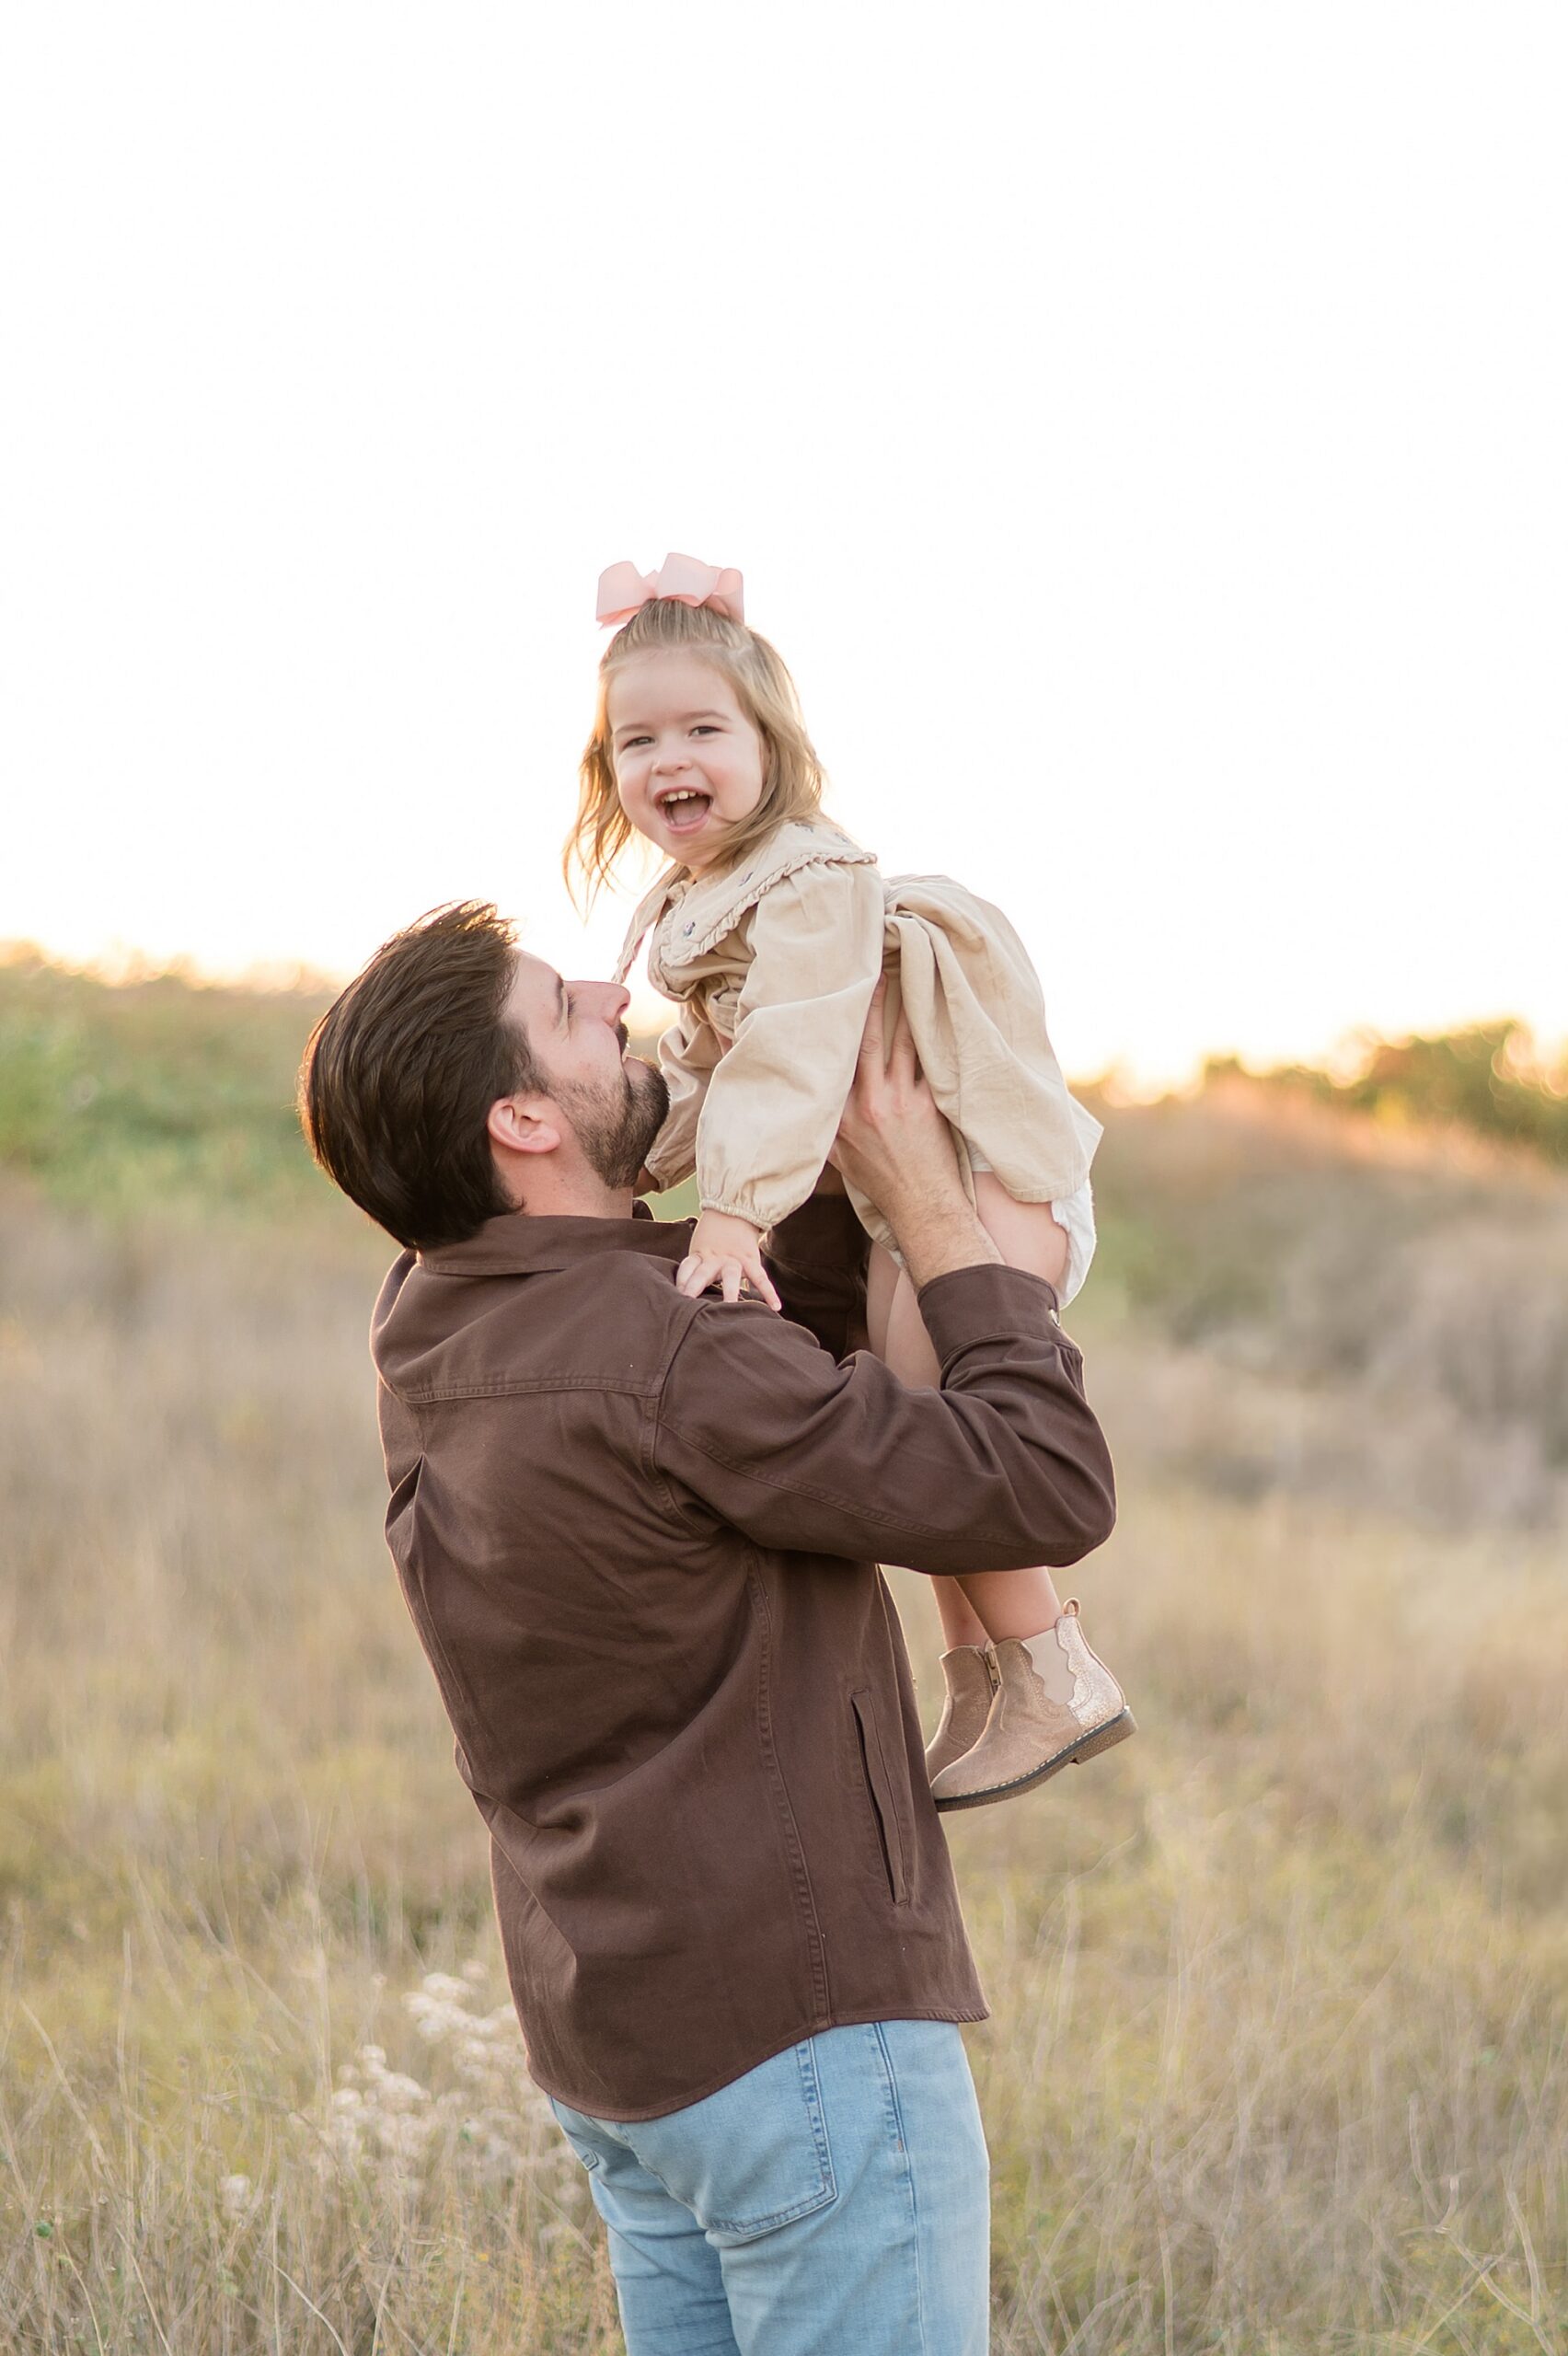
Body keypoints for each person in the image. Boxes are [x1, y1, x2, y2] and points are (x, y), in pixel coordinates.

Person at [298, 901, 1117, 2356]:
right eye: (565, 1006)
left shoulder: (431, 1316)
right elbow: (1041, 1486)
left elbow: (764, 1366)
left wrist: (788, 1092)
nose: (615, 995)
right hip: (798, 2044)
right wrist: (926, 1197)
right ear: (526, 1121)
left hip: (623, 2044)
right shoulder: (667, 1363)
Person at [569, 553, 1132, 1809]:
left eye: (704, 728)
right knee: (905, 1418)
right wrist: (627, 1155)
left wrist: (730, 1209)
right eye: (635, 739)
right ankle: (985, 1681)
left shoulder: (810, 882)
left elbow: (798, 1051)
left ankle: (1053, 1668)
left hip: (976, 1182)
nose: (670, 760)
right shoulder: (708, 898)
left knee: (942, 1430)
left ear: (774, 745)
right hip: (896, 1199)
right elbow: (715, 1075)